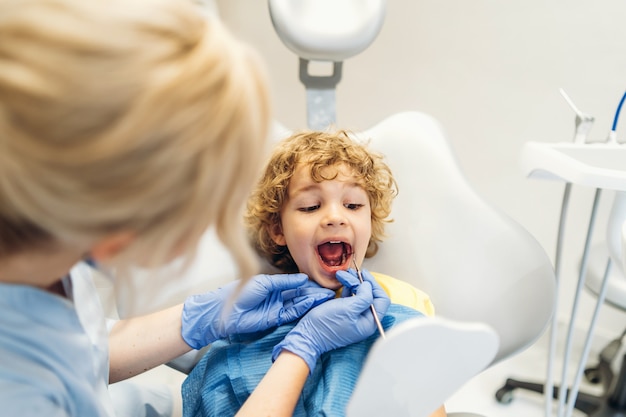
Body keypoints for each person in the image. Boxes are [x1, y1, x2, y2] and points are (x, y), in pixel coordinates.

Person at [0, 1, 387, 416]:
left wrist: (198, 318)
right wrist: (301, 350)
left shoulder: (43, 256)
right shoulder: (20, 392)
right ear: (116, 235)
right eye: (203, 210)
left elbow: (81, 349)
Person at [182, 130, 446, 416]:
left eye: (353, 205)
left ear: (370, 221)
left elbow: (426, 398)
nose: (335, 217)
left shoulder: (406, 300)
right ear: (278, 230)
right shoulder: (256, 310)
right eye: (310, 206)